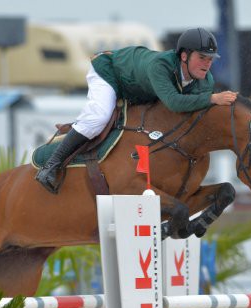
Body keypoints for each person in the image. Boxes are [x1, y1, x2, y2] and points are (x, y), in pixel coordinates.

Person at [35, 27, 238, 194]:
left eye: (210, 59)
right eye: (202, 57)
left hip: (137, 90)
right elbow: (175, 103)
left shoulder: (205, 79)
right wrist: (213, 98)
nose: (207, 63)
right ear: (184, 56)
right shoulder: (161, 66)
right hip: (110, 72)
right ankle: (51, 166)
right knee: (98, 118)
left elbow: (192, 113)